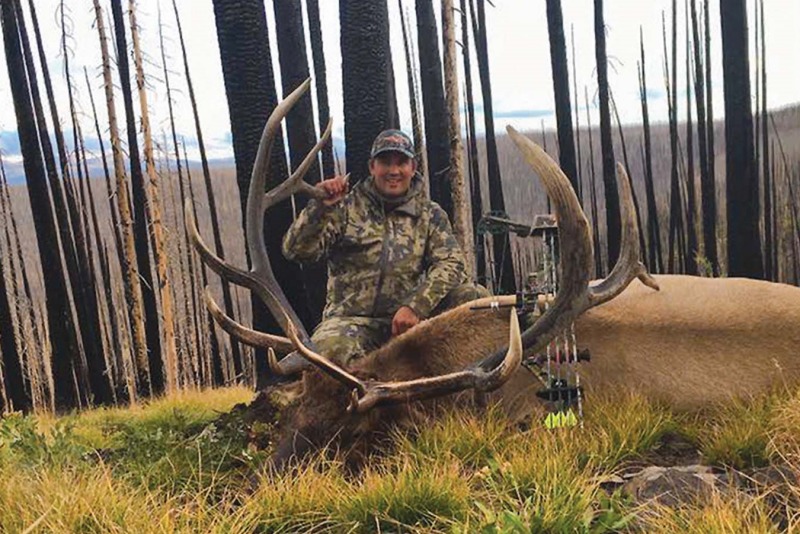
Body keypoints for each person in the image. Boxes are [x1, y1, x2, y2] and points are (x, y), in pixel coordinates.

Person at [282, 129, 488, 366]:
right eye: (385, 162)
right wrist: (319, 209)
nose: (393, 171)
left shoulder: (430, 215)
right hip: (352, 323)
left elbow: (452, 263)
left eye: (401, 162)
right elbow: (296, 251)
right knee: (328, 352)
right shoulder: (344, 209)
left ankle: (479, 386)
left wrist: (416, 306)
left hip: (409, 322)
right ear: (372, 167)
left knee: (475, 299)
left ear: (413, 167)